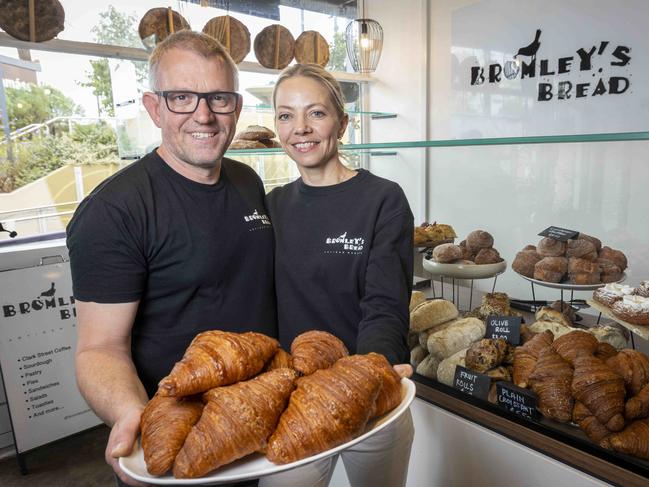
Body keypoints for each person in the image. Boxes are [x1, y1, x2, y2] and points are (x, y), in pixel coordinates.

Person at [66, 31, 275, 487]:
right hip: (176, 443)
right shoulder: (114, 211)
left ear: (236, 107)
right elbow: (99, 349)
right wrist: (131, 416)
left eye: (219, 98)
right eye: (181, 97)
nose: (203, 114)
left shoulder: (247, 181)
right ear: (154, 106)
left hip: (256, 426)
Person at [261, 64, 415, 487]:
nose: (301, 128)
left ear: (342, 123)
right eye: (286, 115)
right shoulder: (270, 206)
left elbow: (385, 302)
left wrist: (372, 374)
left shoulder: (383, 200)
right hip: (295, 404)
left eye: (316, 113)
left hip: (370, 395)